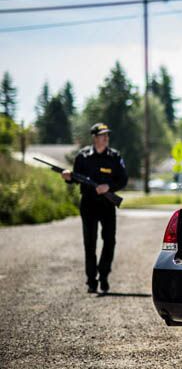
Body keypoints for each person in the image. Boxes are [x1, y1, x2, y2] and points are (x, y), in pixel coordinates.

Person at [62, 123, 128, 293]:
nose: (106, 138)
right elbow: (75, 178)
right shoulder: (83, 156)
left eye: (107, 135)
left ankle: (104, 274)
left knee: (109, 240)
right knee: (89, 243)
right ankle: (91, 280)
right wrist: (68, 177)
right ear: (94, 137)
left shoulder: (114, 156)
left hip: (107, 205)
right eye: (102, 135)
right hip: (88, 204)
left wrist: (109, 187)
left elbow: (123, 180)